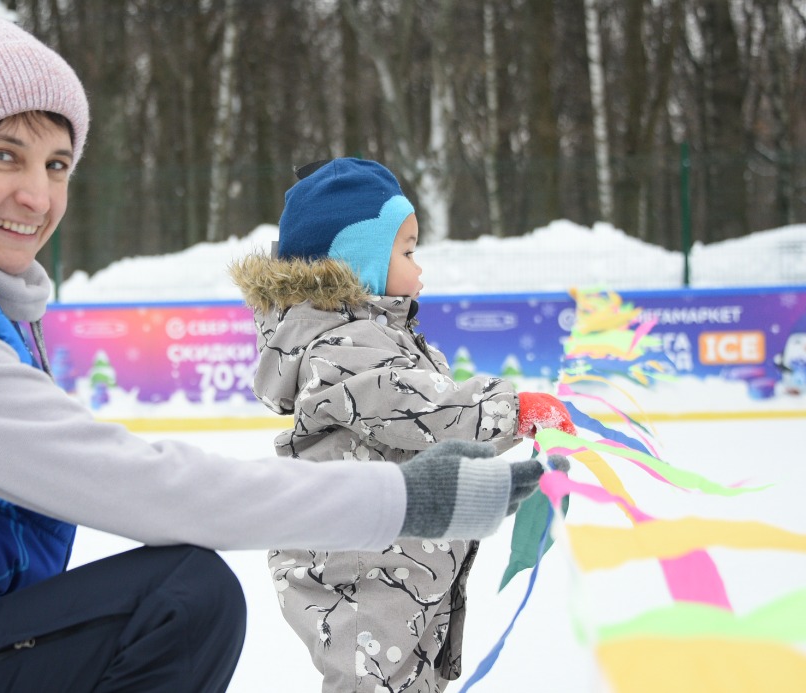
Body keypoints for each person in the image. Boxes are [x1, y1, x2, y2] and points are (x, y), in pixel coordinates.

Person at [0, 16, 560, 693]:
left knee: (169, 597)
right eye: (4, 154)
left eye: (56, 164)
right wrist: (406, 498)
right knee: (180, 597)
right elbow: (131, 484)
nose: (36, 194)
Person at [230, 157, 575, 693]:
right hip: (362, 574)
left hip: (405, 568)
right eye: (408, 252)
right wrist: (513, 409)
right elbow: (421, 408)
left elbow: (429, 433)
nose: (420, 270)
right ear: (358, 261)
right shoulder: (343, 347)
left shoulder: (381, 338)